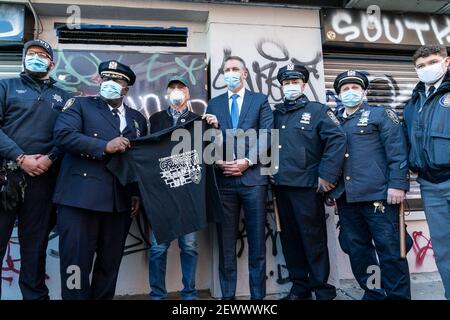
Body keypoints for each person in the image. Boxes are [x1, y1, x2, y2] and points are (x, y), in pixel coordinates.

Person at [53, 60, 147, 299]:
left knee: (109, 265)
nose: (110, 84)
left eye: (117, 81)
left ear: (126, 89)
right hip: (79, 200)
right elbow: (63, 136)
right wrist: (104, 146)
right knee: (75, 265)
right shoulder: (80, 105)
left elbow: (138, 159)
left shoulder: (137, 118)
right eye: (106, 79)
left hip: (119, 203)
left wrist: (135, 191)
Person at [330, 70, 412, 300]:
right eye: (345, 89)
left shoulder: (381, 114)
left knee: (391, 252)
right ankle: (375, 292)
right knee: (360, 252)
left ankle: (398, 297)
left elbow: (397, 151)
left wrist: (398, 185)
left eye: (355, 88)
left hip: (379, 197)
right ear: (338, 94)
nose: (350, 92)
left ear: (364, 91)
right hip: (347, 199)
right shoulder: (334, 120)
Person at [0, 39, 70, 300]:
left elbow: (67, 136)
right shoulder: (5, 86)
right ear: (23, 59)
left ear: (51, 63)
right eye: (31, 53)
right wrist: (20, 158)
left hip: (43, 181)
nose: (36, 57)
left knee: (35, 247)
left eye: (42, 55)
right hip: (6, 178)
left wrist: (50, 158)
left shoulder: (63, 97)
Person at [272, 63, 346, 300]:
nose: (290, 86)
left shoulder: (318, 111)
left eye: (295, 82)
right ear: (281, 87)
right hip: (281, 186)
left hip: (307, 188)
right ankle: (300, 288)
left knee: (313, 240)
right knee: (290, 239)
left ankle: (322, 289)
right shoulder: (275, 113)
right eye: (286, 83)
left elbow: (337, 140)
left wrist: (326, 176)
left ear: (303, 85)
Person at [206, 55, 273, 300]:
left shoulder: (260, 100)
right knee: (225, 245)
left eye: (235, 69)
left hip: (254, 181)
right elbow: (208, 138)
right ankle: (227, 299)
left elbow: (267, 135)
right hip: (223, 181)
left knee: (257, 245)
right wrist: (215, 158)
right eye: (227, 70)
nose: (231, 73)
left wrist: (246, 162)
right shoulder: (214, 104)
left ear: (245, 74)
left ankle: (258, 299)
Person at [147, 75, 218, 300]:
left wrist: (214, 129)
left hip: (189, 195)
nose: (176, 91)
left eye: (181, 88)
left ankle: (189, 294)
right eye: (172, 88)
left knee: (190, 247)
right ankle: (157, 295)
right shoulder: (156, 119)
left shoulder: (199, 119)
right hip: (161, 195)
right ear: (167, 94)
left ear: (188, 94)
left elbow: (210, 153)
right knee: (158, 249)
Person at [403, 45, 450, 299]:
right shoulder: (414, 102)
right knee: (444, 250)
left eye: (432, 62)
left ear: (446, 61)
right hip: (430, 186)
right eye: (420, 66)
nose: (426, 69)